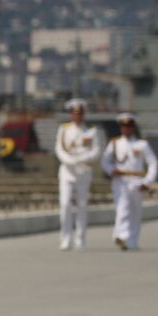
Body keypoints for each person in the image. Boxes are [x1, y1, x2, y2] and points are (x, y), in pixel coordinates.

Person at [101, 113, 157, 250]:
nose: (127, 129)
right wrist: (111, 170)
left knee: (136, 212)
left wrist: (148, 181)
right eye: (124, 126)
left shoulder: (141, 144)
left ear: (133, 128)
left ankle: (132, 241)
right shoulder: (114, 143)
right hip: (120, 180)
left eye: (129, 126)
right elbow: (105, 160)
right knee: (122, 208)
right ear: (121, 128)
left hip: (137, 180)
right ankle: (120, 235)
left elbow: (153, 162)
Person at [55, 98, 101, 250]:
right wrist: (69, 160)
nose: (77, 116)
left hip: (83, 171)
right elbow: (59, 149)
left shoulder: (91, 131)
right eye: (74, 113)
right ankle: (66, 238)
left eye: (80, 113)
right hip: (68, 171)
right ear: (71, 114)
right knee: (65, 204)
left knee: (82, 205)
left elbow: (96, 151)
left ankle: (80, 239)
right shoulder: (64, 129)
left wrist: (82, 158)